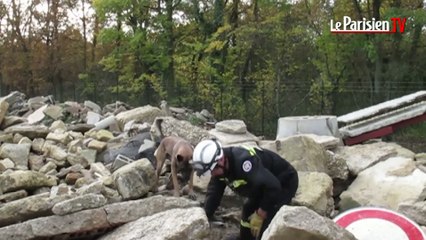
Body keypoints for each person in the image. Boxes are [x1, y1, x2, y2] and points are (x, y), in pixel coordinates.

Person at [191, 139, 299, 240]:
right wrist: (206, 215)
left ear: (221, 160)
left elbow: (273, 187)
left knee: (265, 224)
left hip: (283, 182)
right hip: (261, 187)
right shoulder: (220, 168)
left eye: (212, 171)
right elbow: (214, 192)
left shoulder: (244, 163)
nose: (212, 174)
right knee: (248, 210)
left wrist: (262, 211)